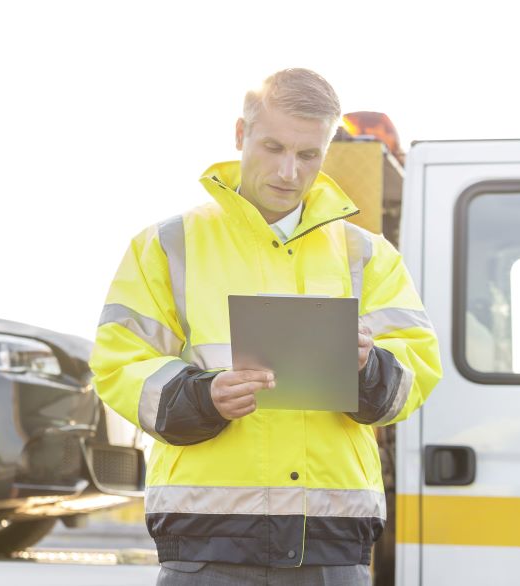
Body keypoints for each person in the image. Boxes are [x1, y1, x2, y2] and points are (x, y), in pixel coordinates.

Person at [89, 68, 442, 585]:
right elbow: (119, 364)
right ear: (240, 134)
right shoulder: (166, 245)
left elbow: (415, 372)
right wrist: (203, 397)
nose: (289, 172)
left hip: (330, 539)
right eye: (273, 147)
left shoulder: (367, 255)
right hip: (205, 537)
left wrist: (366, 369)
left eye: (307, 155)